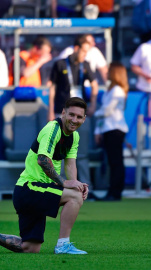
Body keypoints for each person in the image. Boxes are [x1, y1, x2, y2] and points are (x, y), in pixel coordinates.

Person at [0, 97, 89, 254]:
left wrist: (76, 183)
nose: (75, 120)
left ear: (84, 119)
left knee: (30, 248)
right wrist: (63, 182)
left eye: (79, 117)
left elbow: (70, 163)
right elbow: (42, 160)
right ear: (63, 113)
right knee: (75, 196)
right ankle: (63, 245)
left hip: (37, 191)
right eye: (71, 115)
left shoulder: (74, 137)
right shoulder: (52, 129)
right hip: (29, 188)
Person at [49, 35, 99, 201]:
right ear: (76, 48)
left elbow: (95, 84)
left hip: (79, 115)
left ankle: (85, 189)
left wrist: (92, 104)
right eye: (84, 51)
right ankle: (61, 187)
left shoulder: (85, 65)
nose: (85, 55)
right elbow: (53, 88)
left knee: (81, 152)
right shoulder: (60, 64)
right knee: (59, 152)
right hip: (61, 113)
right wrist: (51, 112)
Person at [94, 62, 129, 201]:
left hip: (115, 129)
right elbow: (104, 112)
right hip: (108, 129)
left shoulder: (117, 90)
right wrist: (98, 130)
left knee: (116, 162)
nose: (106, 73)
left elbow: (107, 110)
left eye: (109, 70)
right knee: (113, 162)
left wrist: (91, 114)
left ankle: (115, 192)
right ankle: (112, 191)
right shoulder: (111, 89)